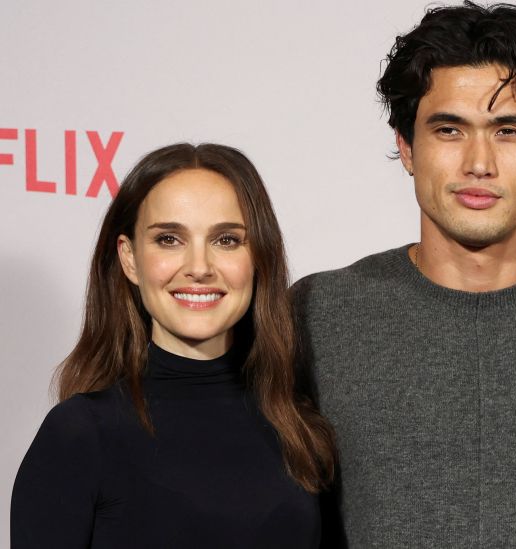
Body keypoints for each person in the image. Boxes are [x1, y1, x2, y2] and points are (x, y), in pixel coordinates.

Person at [291, 2, 516, 547]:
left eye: (508, 131)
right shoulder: (320, 310)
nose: (479, 163)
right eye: (449, 129)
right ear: (406, 148)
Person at [11, 143, 336, 548]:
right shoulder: (80, 436)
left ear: (258, 257)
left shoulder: (300, 427)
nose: (199, 267)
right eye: (169, 239)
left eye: (227, 240)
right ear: (129, 258)